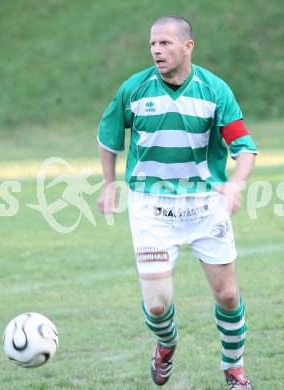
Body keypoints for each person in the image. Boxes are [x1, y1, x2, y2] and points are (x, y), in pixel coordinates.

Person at [97, 15, 257, 389]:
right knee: (157, 304)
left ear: (188, 47)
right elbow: (108, 138)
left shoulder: (214, 90)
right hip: (152, 207)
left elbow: (244, 147)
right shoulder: (134, 90)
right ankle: (166, 345)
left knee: (229, 294)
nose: (156, 50)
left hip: (205, 205)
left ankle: (234, 368)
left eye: (166, 43)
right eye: (153, 43)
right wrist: (108, 184)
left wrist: (235, 183)